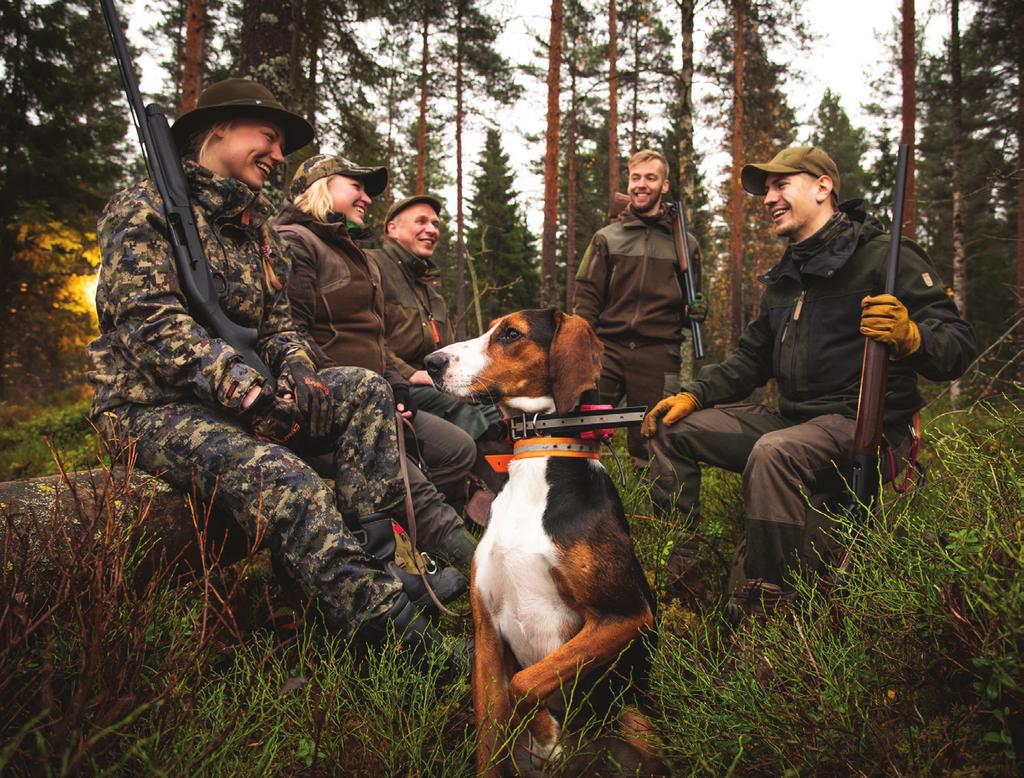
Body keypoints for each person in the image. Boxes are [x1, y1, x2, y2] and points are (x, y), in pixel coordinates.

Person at [88, 78, 446, 648]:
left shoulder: (256, 230)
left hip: (233, 398)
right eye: (271, 138)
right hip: (148, 405)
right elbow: (147, 323)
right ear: (219, 129)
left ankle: (385, 559)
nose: (280, 157)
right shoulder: (142, 209)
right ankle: (391, 635)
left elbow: (279, 324)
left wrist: (298, 372)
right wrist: (250, 394)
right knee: (291, 481)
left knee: (361, 387)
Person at [640, 146, 976, 618]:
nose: (768, 198)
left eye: (781, 185)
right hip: (794, 421)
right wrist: (694, 394)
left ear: (823, 187)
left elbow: (958, 347)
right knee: (672, 430)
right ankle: (680, 583)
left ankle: (769, 611)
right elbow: (750, 359)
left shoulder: (883, 257)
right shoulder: (786, 277)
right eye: (765, 190)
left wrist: (911, 336)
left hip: (866, 427)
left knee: (774, 452)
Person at [274, 154, 478, 578]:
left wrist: (395, 382)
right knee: (407, 480)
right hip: (329, 405)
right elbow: (289, 334)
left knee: (458, 449)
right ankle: (473, 569)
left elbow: (376, 339)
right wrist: (362, 387)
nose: (367, 197)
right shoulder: (294, 241)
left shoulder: (359, 257)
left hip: (378, 396)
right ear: (321, 186)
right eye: (357, 187)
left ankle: (402, 546)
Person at [573, 149, 706, 464]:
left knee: (654, 441)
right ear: (628, 182)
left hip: (658, 353)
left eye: (650, 178)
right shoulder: (606, 238)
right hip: (607, 349)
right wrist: (581, 349)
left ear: (664, 185)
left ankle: (652, 512)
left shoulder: (686, 244)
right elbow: (587, 297)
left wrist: (698, 312)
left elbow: (692, 305)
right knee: (579, 428)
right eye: (635, 178)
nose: (641, 185)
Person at [367, 196, 506, 494]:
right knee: (464, 412)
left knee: (492, 405)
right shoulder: (372, 267)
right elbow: (367, 336)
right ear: (392, 228)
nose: (432, 229)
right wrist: (409, 373)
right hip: (389, 382)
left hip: (430, 381)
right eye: (421, 221)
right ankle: (489, 493)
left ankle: (495, 491)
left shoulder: (433, 295)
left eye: (435, 224)